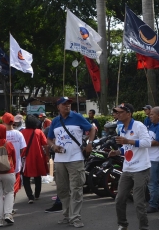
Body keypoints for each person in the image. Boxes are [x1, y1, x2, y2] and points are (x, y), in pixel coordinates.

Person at [47, 97, 96, 228]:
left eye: (69, 104)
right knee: (62, 190)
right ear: (58, 107)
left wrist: (90, 143)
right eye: (64, 104)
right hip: (59, 160)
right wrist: (53, 147)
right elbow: (49, 139)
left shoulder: (77, 117)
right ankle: (67, 215)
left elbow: (92, 129)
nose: (67, 106)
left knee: (76, 189)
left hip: (76, 158)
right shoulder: (55, 121)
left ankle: (76, 217)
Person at [110, 103, 151, 230]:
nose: (117, 114)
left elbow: (147, 142)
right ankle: (122, 224)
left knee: (138, 202)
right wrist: (117, 152)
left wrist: (128, 141)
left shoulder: (139, 126)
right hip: (127, 169)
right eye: (116, 112)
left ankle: (144, 227)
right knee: (119, 199)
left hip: (141, 169)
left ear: (129, 113)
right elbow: (126, 148)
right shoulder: (121, 128)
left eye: (120, 112)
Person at [21, 115, 49, 203]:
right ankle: (37, 194)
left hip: (26, 157)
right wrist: (47, 155)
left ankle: (30, 196)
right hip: (38, 157)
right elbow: (45, 144)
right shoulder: (39, 132)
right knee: (37, 176)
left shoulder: (22, 132)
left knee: (25, 177)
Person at [2, 112, 27, 208]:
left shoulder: (1, 133)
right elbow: (22, 149)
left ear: (4, 122)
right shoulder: (19, 134)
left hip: (1, 165)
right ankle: (10, 206)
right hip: (15, 166)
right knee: (14, 187)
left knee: (3, 188)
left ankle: (5, 206)